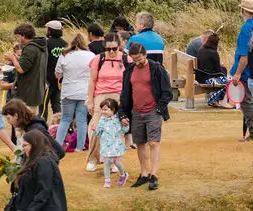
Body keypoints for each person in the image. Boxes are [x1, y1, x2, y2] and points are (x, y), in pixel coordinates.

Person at [119, 42, 171, 191]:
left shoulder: (157, 68)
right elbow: (125, 94)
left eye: (140, 59)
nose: (137, 62)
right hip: (136, 111)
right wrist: (123, 113)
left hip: (153, 110)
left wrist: (159, 108)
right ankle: (144, 173)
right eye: (134, 60)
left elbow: (167, 91)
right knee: (140, 143)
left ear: (145, 55)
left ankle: (154, 175)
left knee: (154, 143)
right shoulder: (129, 70)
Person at [85, 32, 130, 171]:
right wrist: (90, 101)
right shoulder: (98, 59)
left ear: (119, 46)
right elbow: (92, 81)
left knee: (117, 129)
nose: (111, 52)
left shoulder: (126, 59)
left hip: (119, 96)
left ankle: (114, 161)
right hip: (101, 95)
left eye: (114, 49)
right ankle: (93, 158)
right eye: (108, 49)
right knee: (96, 126)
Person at [5, 130, 68, 211]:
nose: (23, 149)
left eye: (25, 145)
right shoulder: (33, 159)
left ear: (35, 144)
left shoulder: (44, 163)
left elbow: (43, 192)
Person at [54, 33, 95, 153]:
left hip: (68, 91)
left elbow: (58, 74)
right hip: (84, 91)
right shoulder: (91, 55)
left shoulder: (64, 55)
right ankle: (80, 147)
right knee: (81, 119)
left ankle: (58, 146)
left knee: (65, 119)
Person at [230, 0, 253, 142]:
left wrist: (237, 73)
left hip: (247, 70)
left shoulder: (246, 28)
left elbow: (244, 55)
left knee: (245, 101)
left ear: (243, 10)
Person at [2, 23, 48, 112]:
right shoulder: (40, 46)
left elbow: (21, 69)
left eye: (18, 36)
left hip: (28, 92)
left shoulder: (30, 48)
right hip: (36, 90)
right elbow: (31, 63)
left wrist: (13, 58)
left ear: (23, 36)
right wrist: (18, 58)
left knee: (26, 118)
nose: (17, 39)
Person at [1, 98, 67, 160]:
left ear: (16, 116)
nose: (8, 121)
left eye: (8, 118)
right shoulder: (27, 128)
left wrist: (44, 164)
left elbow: (60, 152)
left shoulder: (36, 129)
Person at [91, 97, 130, 188]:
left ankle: (123, 174)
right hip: (106, 145)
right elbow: (99, 133)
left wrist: (126, 125)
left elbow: (124, 130)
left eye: (105, 109)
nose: (103, 112)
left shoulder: (118, 119)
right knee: (107, 162)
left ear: (113, 109)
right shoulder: (102, 120)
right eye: (102, 109)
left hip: (116, 145)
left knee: (117, 162)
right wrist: (94, 130)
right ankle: (107, 180)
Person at [195, 31, 233, 107]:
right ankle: (222, 101)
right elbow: (218, 71)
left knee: (226, 78)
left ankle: (216, 100)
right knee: (230, 81)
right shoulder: (213, 53)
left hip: (200, 77)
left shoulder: (201, 50)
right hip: (208, 79)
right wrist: (223, 69)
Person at [43, 20, 68, 117]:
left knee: (43, 103)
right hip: (60, 79)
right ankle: (58, 123)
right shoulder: (65, 44)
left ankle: (42, 124)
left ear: (50, 30)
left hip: (47, 78)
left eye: (47, 29)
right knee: (56, 103)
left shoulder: (46, 44)